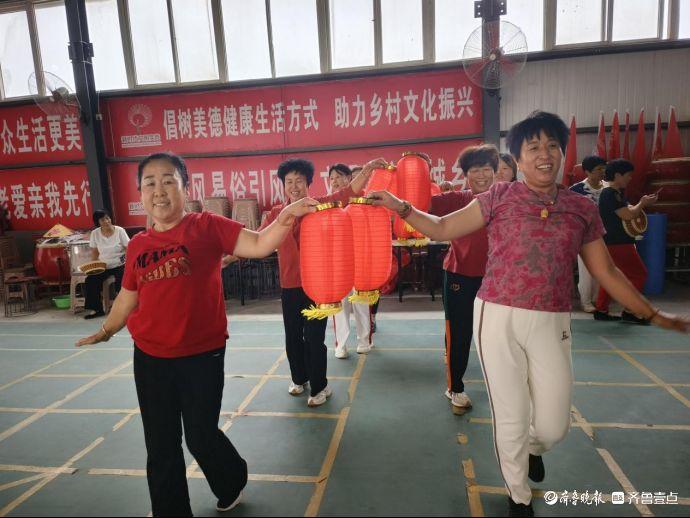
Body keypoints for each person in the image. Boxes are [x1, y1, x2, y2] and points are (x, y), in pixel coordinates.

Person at [370, 111, 688, 517]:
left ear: (562, 154)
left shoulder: (580, 208)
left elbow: (605, 270)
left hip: (552, 321)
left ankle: (535, 448)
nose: (544, 154)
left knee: (554, 425)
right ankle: (518, 495)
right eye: (533, 147)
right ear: (518, 159)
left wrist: (653, 314)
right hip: (497, 316)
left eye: (552, 146)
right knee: (511, 414)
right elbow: (443, 228)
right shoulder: (499, 197)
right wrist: (400, 206)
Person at [76, 152, 317, 517]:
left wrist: (284, 218)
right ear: (141, 193)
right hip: (151, 357)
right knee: (161, 445)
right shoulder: (138, 245)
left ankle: (231, 477)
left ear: (185, 189)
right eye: (150, 183)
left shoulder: (206, 226)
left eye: (168, 181)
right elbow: (128, 296)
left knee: (200, 435)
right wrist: (107, 329)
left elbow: (258, 244)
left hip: (202, 355)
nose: (159, 191)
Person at [260, 157, 384, 407]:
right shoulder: (277, 214)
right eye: (289, 182)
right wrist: (230, 256)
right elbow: (259, 239)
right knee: (292, 337)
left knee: (314, 338)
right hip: (290, 286)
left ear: (308, 183)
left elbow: (348, 193)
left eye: (299, 181)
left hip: (318, 286)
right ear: (283, 185)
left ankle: (320, 386)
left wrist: (368, 169)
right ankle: (299, 378)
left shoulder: (321, 206)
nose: (294, 186)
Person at [429, 144, 495, 415]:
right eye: (475, 170)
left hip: (497, 279)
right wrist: (418, 170)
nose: (481, 175)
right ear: (466, 175)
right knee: (459, 333)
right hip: (459, 274)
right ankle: (455, 387)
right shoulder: (457, 199)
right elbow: (422, 202)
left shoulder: (506, 199)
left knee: (496, 335)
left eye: (486, 169)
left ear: (495, 171)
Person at [594, 159, 658, 323]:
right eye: (628, 175)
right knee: (639, 274)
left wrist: (642, 203)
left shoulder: (615, 193)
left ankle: (601, 310)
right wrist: (642, 204)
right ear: (617, 175)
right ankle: (630, 311)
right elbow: (628, 215)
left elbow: (628, 210)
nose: (630, 178)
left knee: (612, 276)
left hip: (612, 242)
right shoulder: (611, 194)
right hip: (619, 243)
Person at [327, 163, 375, 358]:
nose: (335, 181)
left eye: (339, 177)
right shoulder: (329, 203)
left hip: (360, 260)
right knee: (340, 304)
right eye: (332, 178)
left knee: (361, 301)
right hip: (338, 262)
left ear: (349, 179)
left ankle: (364, 340)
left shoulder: (363, 199)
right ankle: (341, 344)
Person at [570, 155, 607, 312]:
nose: (603, 172)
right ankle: (586, 301)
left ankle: (598, 299)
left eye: (604, 168)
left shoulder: (609, 188)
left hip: (606, 235)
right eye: (599, 169)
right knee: (586, 271)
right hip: (585, 237)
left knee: (603, 269)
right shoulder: (576, 190)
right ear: (587, 171)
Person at [83, 209, 130, 319]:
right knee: (90, 280)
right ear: (98, 222)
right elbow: (95, 252)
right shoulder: (95, 233)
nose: (107, 221)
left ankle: (124, 308)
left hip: (120, 264)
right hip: (103, 266)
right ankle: (97, 309)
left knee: (123, 279)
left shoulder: (120, 231)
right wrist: (93, 267)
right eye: (103, 220)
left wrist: (128, 263)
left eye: (107, 218)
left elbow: (128, 248)